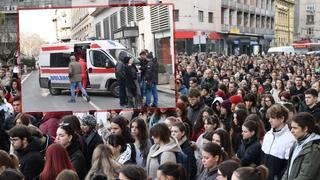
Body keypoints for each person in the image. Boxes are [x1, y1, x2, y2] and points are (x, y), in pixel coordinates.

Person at [281, 112, 320, 180]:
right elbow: (289, 168)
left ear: (305, 129)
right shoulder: (296, 143)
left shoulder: (314, 148)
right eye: (291, 127)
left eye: (295, 128)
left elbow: (305, 176)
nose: (291, 131)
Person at [261, 104, 295, 180]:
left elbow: (287, 166)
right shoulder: (268, 135)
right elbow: (262, 158)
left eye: (272, 117)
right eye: (269, 117)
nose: (269, 120)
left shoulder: (290, 139)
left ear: (282, 118)